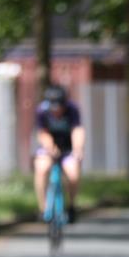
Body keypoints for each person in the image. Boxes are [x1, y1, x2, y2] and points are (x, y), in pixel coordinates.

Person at [34, 84, 85, 222]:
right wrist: (50, 147)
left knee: (73, 174)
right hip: (48, 147)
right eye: (53, 107)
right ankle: (43, 208)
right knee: (42, 169)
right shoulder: (42, 110)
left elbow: (77, 130)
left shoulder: (72, 109)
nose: (56, 111)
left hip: (67, 148)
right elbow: (42, 132)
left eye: (59, 107)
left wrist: (78, 149)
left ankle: (71, 206)